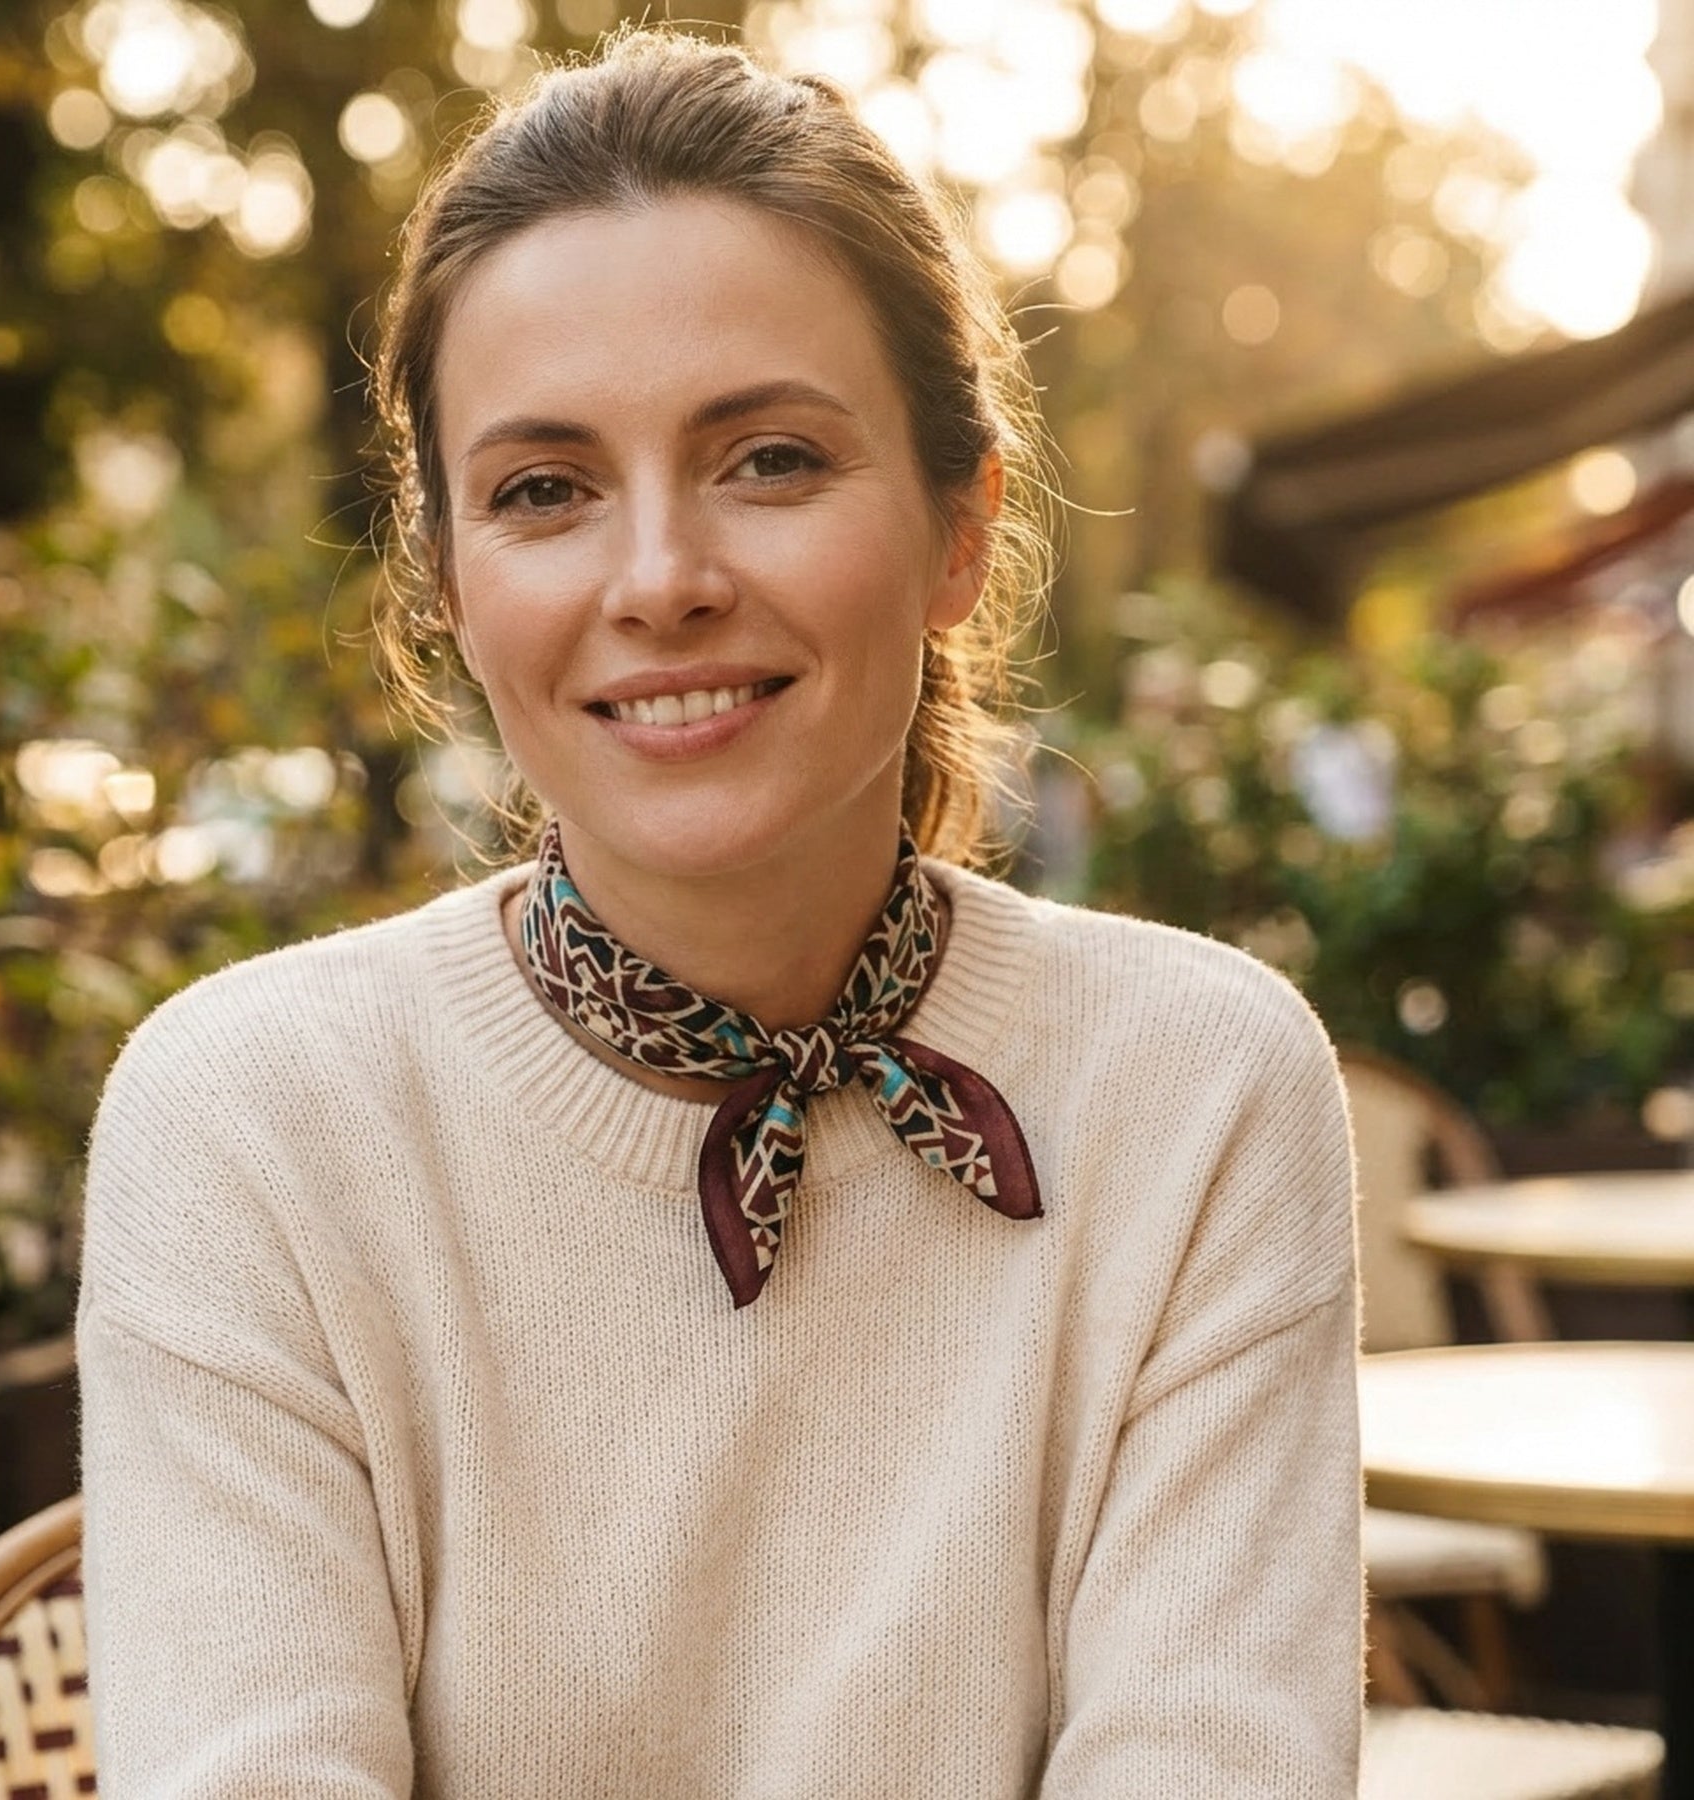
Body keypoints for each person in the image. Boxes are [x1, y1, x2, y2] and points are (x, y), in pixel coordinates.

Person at [78, 28, 1362, 1797]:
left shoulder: (1199, 1091)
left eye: (767, 458)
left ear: (960, 524)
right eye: (545, 490)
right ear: (449, 582)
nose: (663, 579)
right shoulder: (247, 1124)